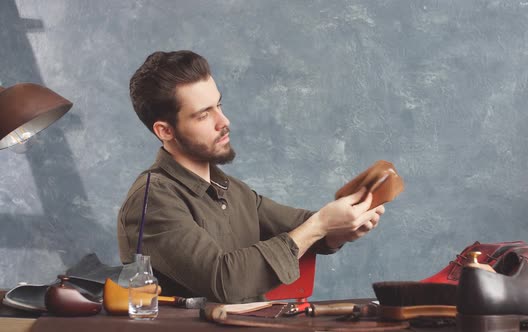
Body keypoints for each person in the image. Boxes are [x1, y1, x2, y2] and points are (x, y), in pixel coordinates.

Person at [117, 50, 385, 303]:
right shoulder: (152, 200)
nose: (224, 121)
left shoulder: (233, 191)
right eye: (203, 115)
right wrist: (321, 226)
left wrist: (342, 229)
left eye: (219, 105)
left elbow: (304, 224)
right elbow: (224, 280)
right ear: (165, 131)